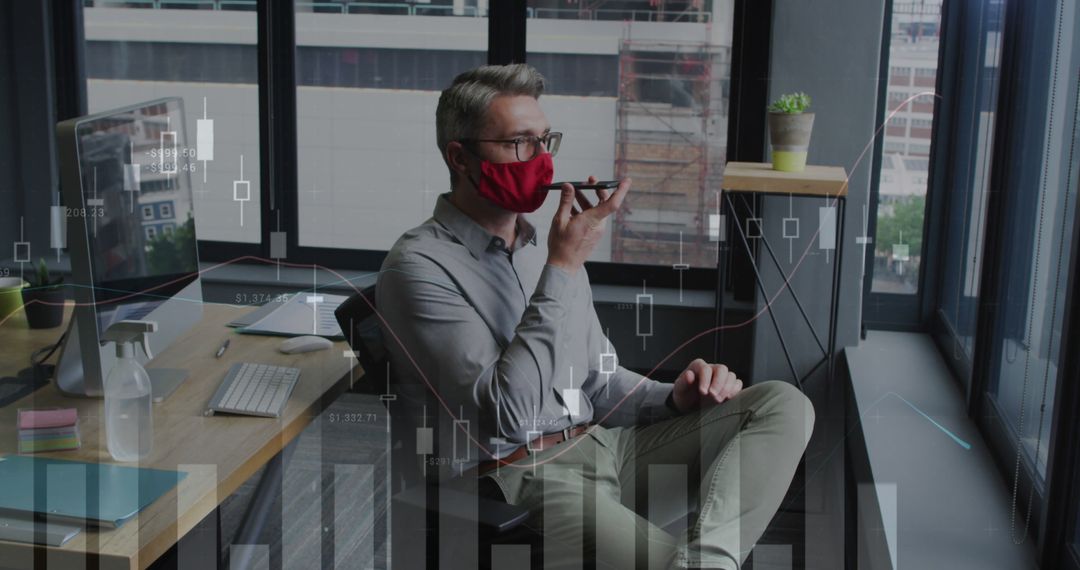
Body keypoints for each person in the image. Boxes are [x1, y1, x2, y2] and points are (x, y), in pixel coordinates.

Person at [377, 64, 814, 569]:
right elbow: (509, 416)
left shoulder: (542, 249)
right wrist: (562, 267)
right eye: (520, 143)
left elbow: (598, 383)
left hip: (605, 448)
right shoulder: (418, 267)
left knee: (782, 405)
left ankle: (709, 562)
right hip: (520, 475)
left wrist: (674, 398)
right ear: (461, 156)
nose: (540, 160)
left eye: (545, 141)